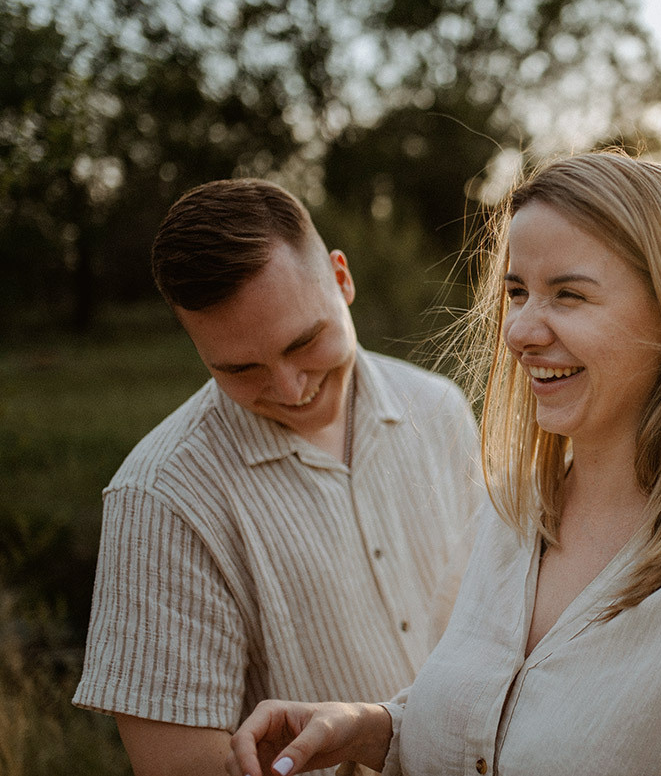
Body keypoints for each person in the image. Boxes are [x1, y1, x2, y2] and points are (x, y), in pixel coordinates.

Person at [228, 153, 661, 776]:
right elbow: (489, 733)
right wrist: (371, 730)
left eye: (568, 295)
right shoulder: (504, 515)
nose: (520, 332)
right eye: (516, 291)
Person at [72, 178, 484, 776]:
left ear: (341, 278)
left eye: (305, 341)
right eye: (241, 369)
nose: (290, 389)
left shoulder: (439, 408)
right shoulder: (161, 499)